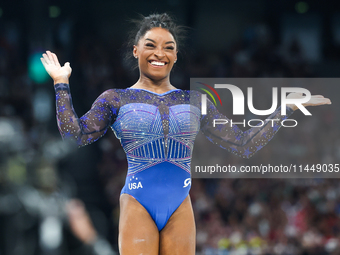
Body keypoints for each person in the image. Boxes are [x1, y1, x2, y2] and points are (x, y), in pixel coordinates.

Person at [41, 13, 331, 255]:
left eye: (168, 47)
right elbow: (74, 136)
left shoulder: (196, 101)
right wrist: (61, 84)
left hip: (180, 204)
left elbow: (243, 144)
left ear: (176, 55)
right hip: (138, 201)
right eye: (151, 45)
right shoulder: (115, 99)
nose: (159, 53)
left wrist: (286, 108)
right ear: (136, 50)